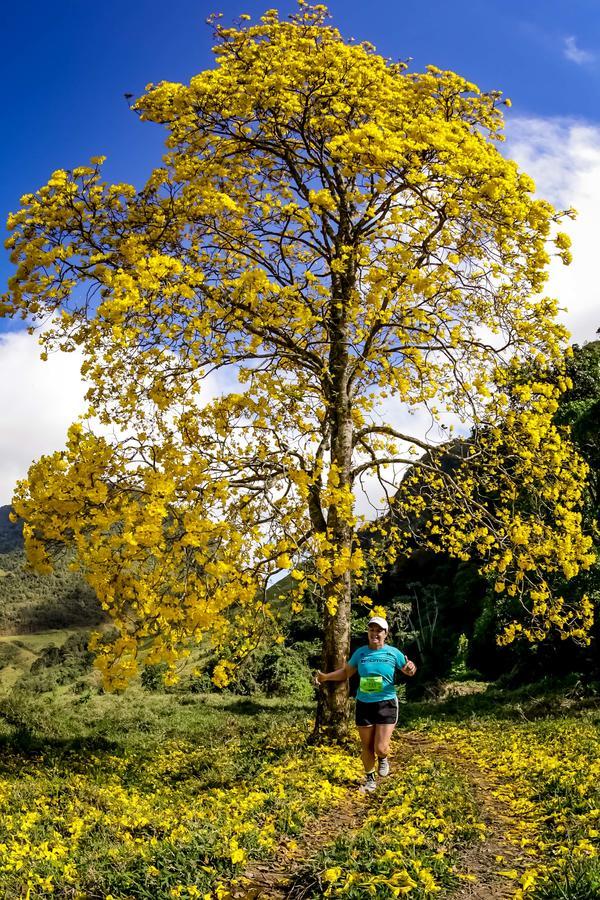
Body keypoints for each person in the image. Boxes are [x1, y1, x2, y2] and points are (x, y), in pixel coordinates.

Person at [315, 616, 416, 792]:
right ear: (368, 632)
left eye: (379, 631)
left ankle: (383, 758)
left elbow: (408, 670)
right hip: (364, 703)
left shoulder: (393, 653)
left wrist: (410, 668)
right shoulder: (361, 653)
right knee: (367, 746)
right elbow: (346, 673)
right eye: (372, 630)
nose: (374, 633)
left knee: (380, 747)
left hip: (386, 702)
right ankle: (370, 780)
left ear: (385, 634)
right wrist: (325, 677)